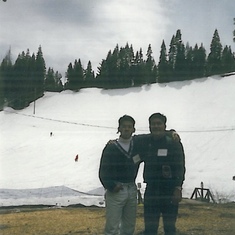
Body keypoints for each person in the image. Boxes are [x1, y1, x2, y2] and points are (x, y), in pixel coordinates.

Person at [142, 113, 186, 235]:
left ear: (164, 125)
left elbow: (180, 166)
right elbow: (129, 138)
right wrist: (113, 141)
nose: (156, 126)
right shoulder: (145, 141)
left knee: (170, 227)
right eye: (153, 124)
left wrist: (178, 187)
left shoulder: (173, 142)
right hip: (152, 190)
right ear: (149, 126)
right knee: (150, 228)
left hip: (170, 190)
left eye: (159, 123)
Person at [99, 115, 141, 235]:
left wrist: (171, 133)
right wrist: (111, 186)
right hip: (117, 190)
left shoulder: (138, 145)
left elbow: (153, 134)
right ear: (119, 128)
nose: (127, 129)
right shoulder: (111, 147)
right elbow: (103, 171)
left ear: (133, 129)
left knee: (129, 226)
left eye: (129, 127)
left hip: (131, 189)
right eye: (124, 126)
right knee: (112, 226)